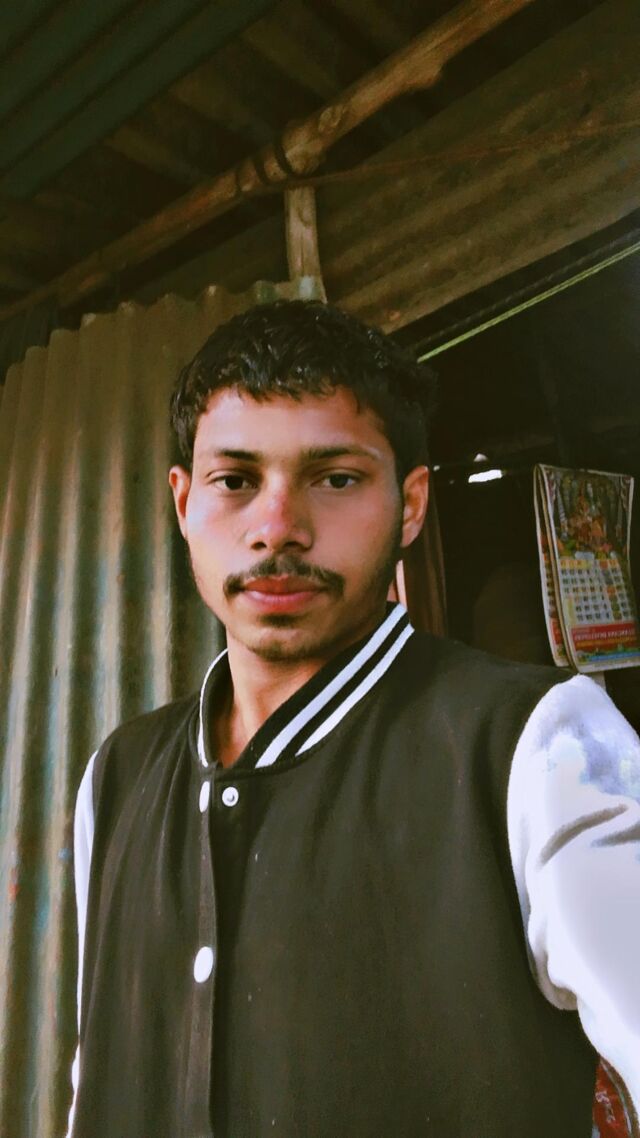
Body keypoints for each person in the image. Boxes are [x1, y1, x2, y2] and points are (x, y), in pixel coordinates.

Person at [66, 300, 640, 1138]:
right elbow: (96, 1076)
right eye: (235, 481)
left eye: (335, 478)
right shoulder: (117, 776)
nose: (278, 529)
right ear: (184, 503)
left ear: (410, 504)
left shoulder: (540, 745)